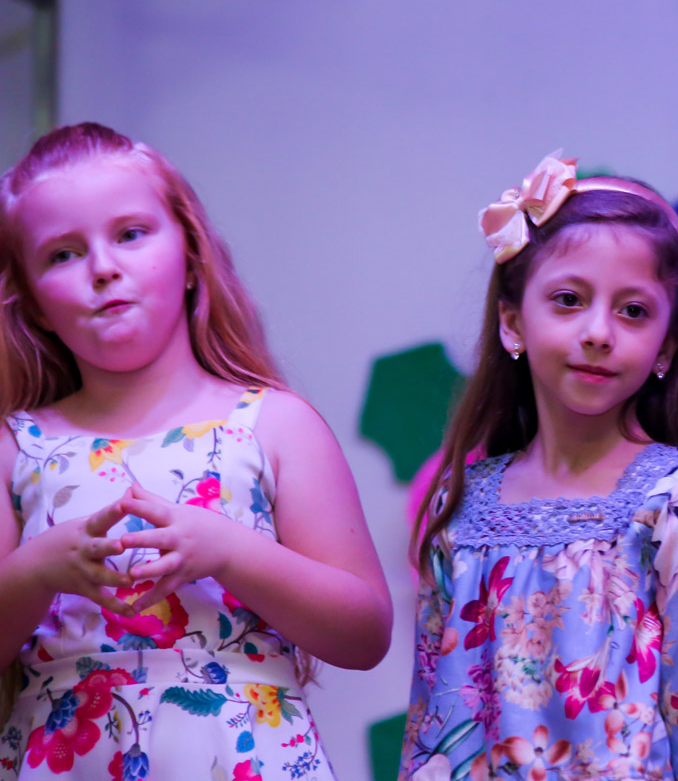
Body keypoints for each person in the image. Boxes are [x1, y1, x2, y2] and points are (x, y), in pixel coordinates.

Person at [0, 123, 392, 780]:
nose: (103, 268)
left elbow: (365, 633)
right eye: (63, 254)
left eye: (130, 234)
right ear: (35, 304)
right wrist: (36, 571)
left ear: (190, 254)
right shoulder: (16, 447)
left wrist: (230, 551)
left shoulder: (274, 424)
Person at [400, 152, 678, 781]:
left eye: (633, 311)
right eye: (568, 300)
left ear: (667, 347)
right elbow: (430, 729)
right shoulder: (461, 504)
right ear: (512, 322)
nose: (598, 332)